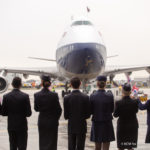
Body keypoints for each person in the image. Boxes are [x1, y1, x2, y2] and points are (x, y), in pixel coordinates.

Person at [1, 77, 32, 150]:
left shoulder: (6, 97)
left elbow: (3, 113)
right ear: (20, 85)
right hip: (22, 126)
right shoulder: (25, 96)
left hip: (11, 126)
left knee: (12, 146)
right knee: (22, 147)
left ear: (12, 84)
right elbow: (29, 113)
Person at [34, 75, 62, 150]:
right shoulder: (54, 95)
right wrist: (56, 119)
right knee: (52, 141)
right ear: (49, 83)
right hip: (52, 121)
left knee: (42, 140)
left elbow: (36, 109)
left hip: (42, 121)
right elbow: (59, 110)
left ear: (42, 82)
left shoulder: (37, 95)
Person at [64, 77, 91, 150]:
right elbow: (88, 114)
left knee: (71, 145)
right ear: (80, 84)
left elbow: (66, 115)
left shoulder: (66, 98)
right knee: (80, 146)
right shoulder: (85, 97)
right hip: (82, 124)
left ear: (71, 85)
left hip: (71, 125)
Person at [90, 75, 115, 150]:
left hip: (96, 122)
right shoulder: (110, 96)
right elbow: (112, 110)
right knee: (106, 146)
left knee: (97, 147)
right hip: (107, 122)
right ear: (105, 83)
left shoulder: (92, 96)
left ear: (97, 84)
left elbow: (91, 111)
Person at [114, 83, 139, 150]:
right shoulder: (135, 102)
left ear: (122, 91)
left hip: (122, 127)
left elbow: (115, 115)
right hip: (132, 127)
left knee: (121, 147)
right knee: (130, 147)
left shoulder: (118, 103)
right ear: (130, 92)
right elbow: (136, 111)